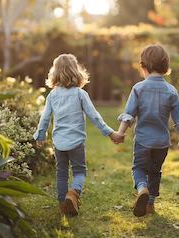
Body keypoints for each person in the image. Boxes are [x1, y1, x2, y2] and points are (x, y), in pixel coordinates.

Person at [34, 54, 124, 216]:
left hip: (59, 143)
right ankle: (73, 193)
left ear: (55, 73)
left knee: (61, 172)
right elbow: (94, 116)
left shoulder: (52, 96)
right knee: (80, 172)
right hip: (76, 142)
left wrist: (40, 135)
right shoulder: (80, 94)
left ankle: (63, 204)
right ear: (76, 71)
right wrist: (110, 133)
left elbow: (45, 117)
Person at [116, 44, 179, 217]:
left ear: (143, 66)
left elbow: (129, 115)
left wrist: (120, 133)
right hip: (161, 143)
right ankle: (150, 204)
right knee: (155, 171)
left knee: (139, 168)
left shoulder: (138, 88)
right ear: (165, 66)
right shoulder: (171, 91)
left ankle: (142, 189)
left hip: (142, 141)